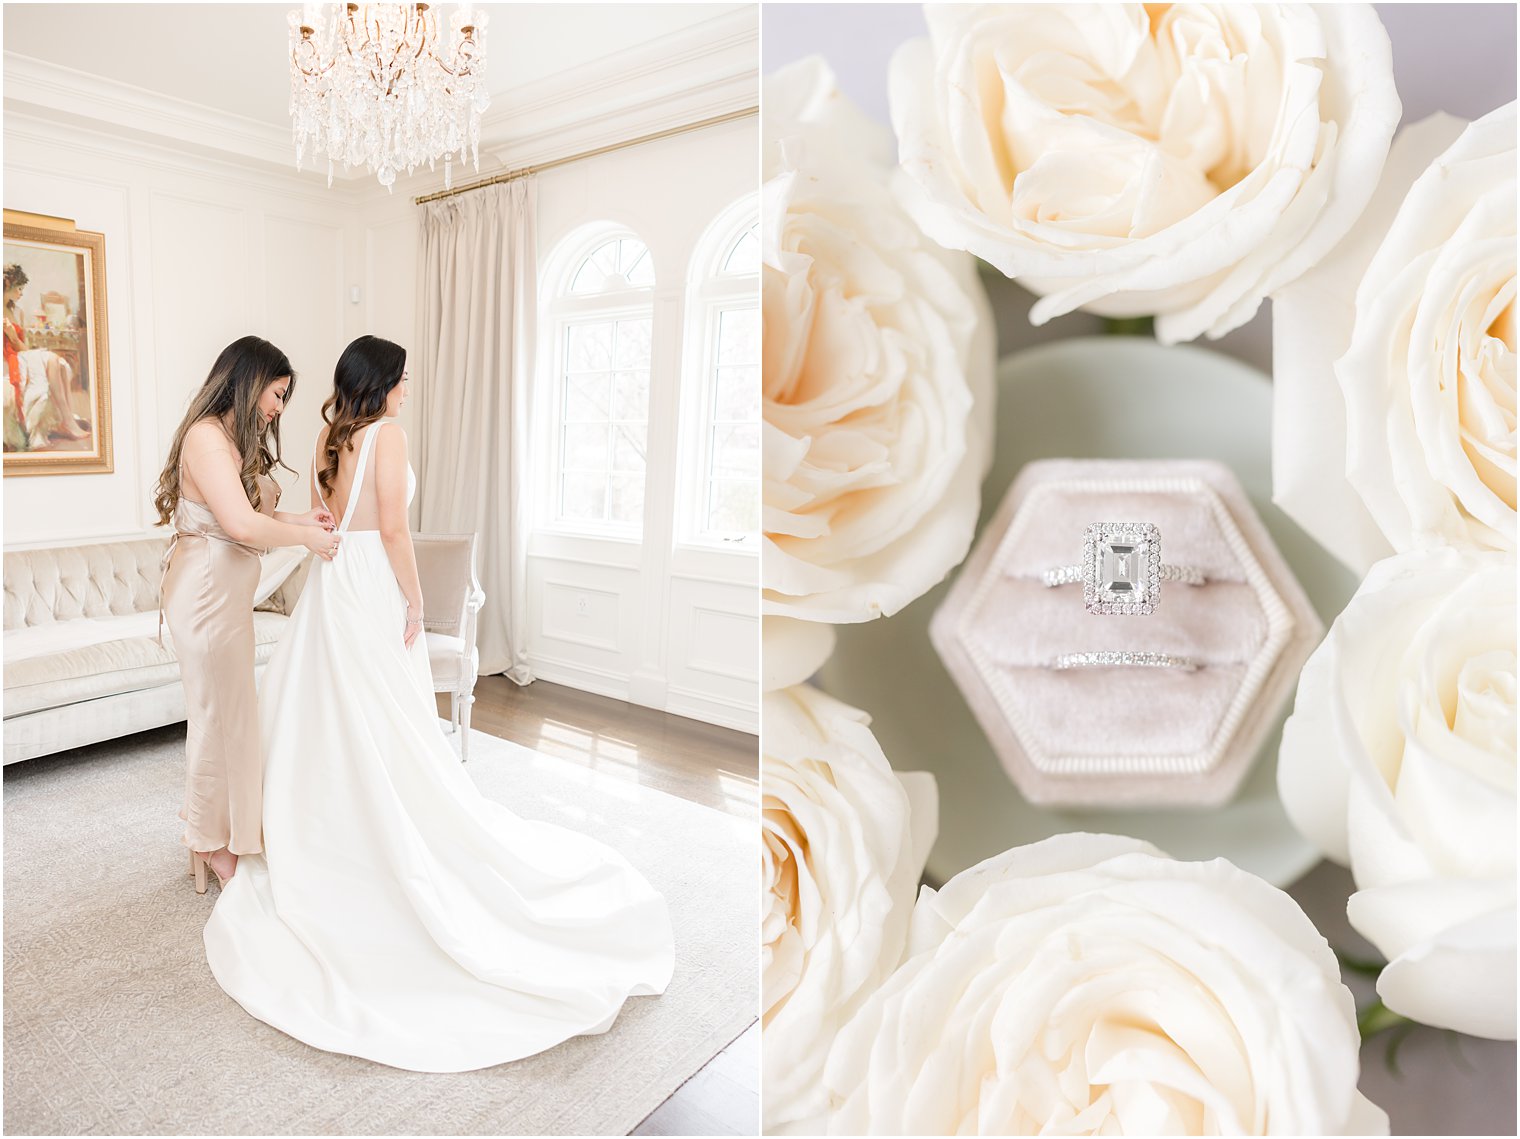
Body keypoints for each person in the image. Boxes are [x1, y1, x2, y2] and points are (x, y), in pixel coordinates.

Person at [202, 335, 674, 1072]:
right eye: (403, 379)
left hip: (333, 587)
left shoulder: (333, 433)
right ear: (384, 382)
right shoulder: (388, 435)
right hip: (371, 587)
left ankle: (329, 826)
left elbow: (322, 516)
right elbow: (393, 528)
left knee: (341, 719)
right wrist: (417, 599)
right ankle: (385, 830)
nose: (408, 389)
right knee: (391, 722)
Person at [153, 335, 340, 889]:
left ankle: (220, 832)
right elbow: (239, 525)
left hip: (223, 594)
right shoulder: (206, 440)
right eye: (278, 395)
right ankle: (210, 843)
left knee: (234, 716)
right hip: (205, 592)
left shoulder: (229, 441)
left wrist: (305, 520)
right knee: (217, 716)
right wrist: (305, 541)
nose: (279, 409)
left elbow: (257, 510)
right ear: (251, 381)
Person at [3, 263, 90, 447]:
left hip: (20, 354)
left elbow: (22, 346)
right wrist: (10, 337)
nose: (21, 293)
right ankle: (67, 421)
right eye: (19, 288)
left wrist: (13, 337)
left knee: (58, 362)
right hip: (8, 359)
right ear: (7, 284)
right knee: (51, 359)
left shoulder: (17, 311)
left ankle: (67, 420)